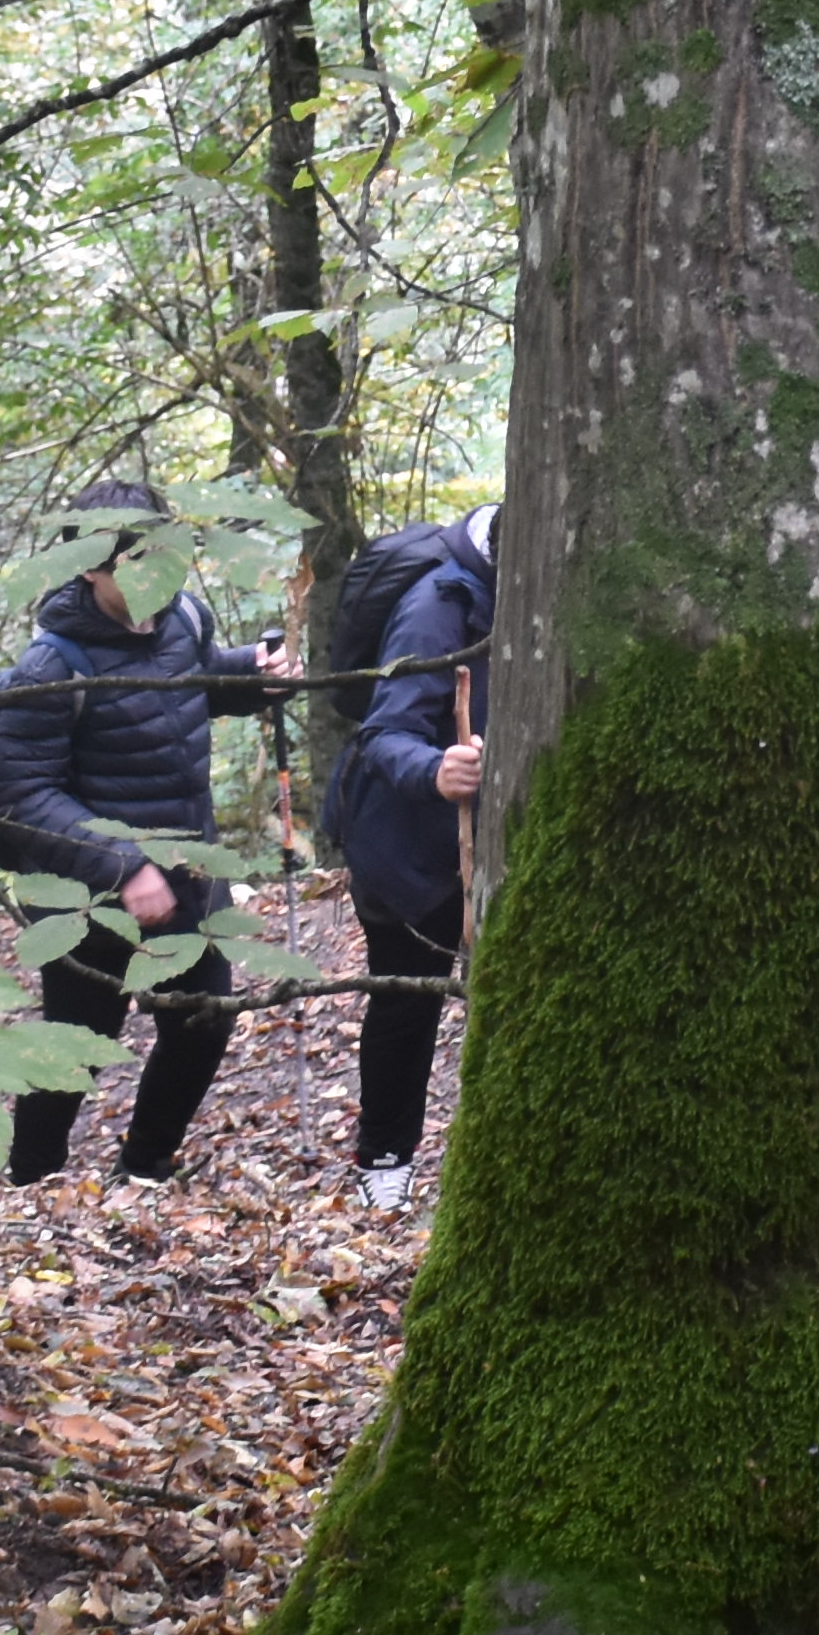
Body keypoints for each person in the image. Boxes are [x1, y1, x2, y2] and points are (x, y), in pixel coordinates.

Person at [0, 483, 278, 1184]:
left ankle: (145, 1166)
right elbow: (23, 792)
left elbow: (187, 685)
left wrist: (253, 678)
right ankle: (33, 1182)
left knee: (204, 1021)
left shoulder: (184, 620)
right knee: (76, 1049)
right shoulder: (50, 667)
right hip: (89, 898)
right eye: (135, 563)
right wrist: (122, 865)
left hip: (187, 880)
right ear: (89, 569)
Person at [322, 503, 496, 1211]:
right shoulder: (438, 606)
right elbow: (385, 729)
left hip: (483, 837)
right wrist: (437, 769)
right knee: (407, 996)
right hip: (401, 842)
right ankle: (384, 1163)